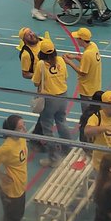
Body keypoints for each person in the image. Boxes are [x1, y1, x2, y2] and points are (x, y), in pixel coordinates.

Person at [0, 114, 29, 221]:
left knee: (17, 216)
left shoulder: (22, 138)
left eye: (24, 125)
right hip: (11, 191)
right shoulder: (7, 147)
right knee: (12, 219)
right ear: (12, 131)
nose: (25, 129)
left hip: (20, 186)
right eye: (21, 128)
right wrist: (1, 175)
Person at [32, 37, 71, 165]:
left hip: (49, 99)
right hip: (63, 96)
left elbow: (36, 82)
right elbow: (65, 76)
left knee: (47, 128)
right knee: (62, 122)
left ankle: (53, 158)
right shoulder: (60, 60)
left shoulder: (41, 64)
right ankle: (67, 149)